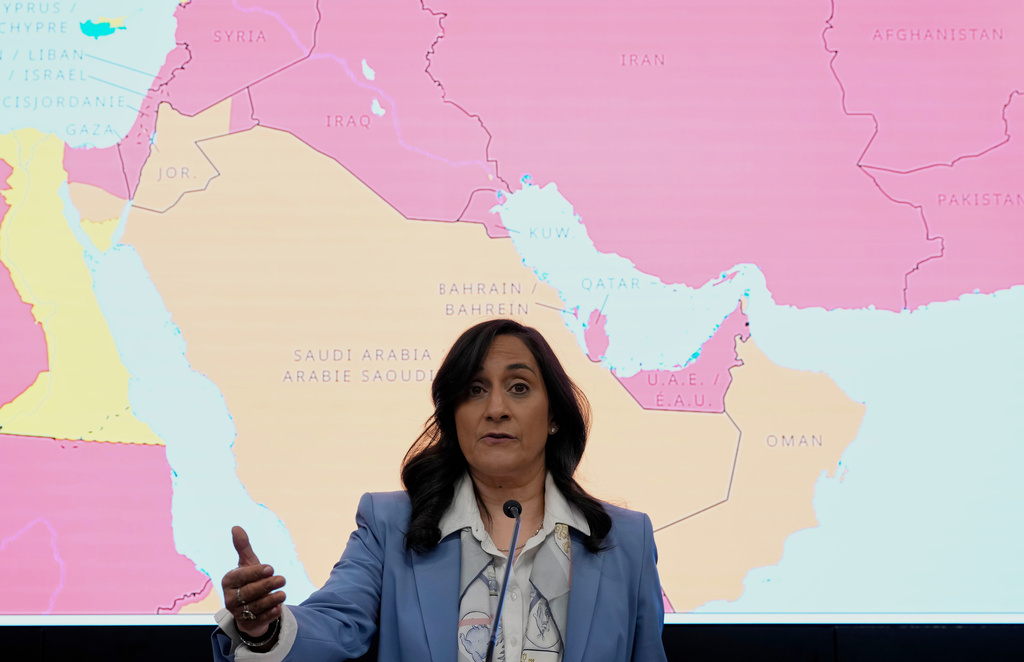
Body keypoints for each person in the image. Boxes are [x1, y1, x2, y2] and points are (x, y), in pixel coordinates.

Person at [212, 319, 668, 661]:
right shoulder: (390, 526)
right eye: (474, 390)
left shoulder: (625, 540)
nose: (496, 409)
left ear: (553, 417)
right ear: (453, 417)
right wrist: (264, 630)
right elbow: (334, 626)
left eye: (519, 387)